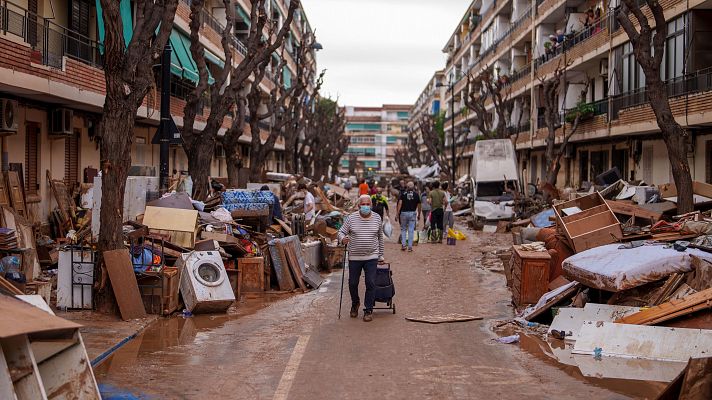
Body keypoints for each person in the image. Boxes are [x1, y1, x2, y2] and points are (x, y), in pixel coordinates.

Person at [338, 195, 385, 322]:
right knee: (353, 283)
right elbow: (341, 232)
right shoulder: (351, 218)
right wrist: (343, 239)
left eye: (368, 204)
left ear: (371, 205)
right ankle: (355, 303)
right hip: (354, 256)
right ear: (358, 206)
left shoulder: (377, 218)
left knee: (370, 282)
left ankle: (368, 309)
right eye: (363, 204)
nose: (365, 206)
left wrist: (380, 255)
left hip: (372, 256)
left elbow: (380, 237)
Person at [396, 181, 421, 252]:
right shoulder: (416, 194)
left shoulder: (403, 194)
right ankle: (410, 246)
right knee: (411, 230)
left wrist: (397, 213)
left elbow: (400, 203)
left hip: (403, 213)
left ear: (407, 187)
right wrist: (419, 214)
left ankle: (403, 245)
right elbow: (419, 205)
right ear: (413, 187)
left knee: (403, 229)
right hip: (412, 214)